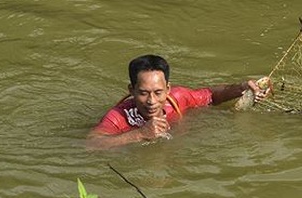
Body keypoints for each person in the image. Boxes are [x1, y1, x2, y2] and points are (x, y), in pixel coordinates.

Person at [87, 54, 267, 148]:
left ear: (168, 89)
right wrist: (139, 134)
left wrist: (242, 88)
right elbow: (92, 144)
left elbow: (211, 95)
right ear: (131, 90)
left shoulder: (178, 98)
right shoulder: (119, 117)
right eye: (143, 93)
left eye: (158, 92)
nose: (151, 101)